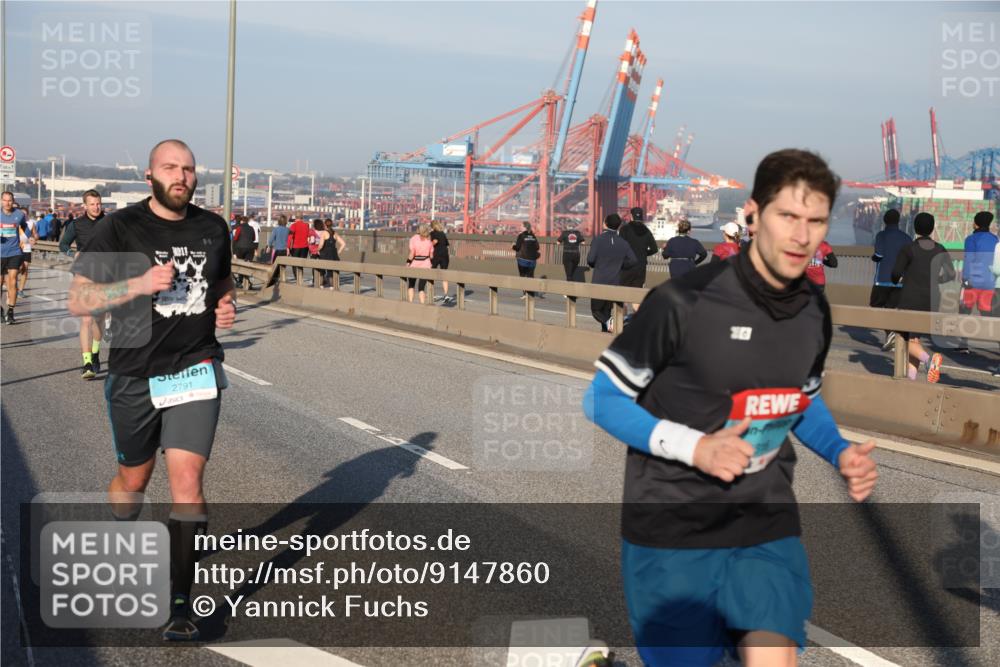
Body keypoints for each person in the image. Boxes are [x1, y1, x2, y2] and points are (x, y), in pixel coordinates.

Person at [584, 149, 878, 667]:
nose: (802, 235)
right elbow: (602, 399)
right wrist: (696, 448)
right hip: (672, 524)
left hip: (763, 518)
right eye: (788, 217)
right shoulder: (683, 302)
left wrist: (840, 451)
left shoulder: (813, 311)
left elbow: (802, 398)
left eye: (815, 222)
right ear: (753, 214)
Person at [67, 139, 236, 642]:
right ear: (149, 175)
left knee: (188, 481)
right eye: (170, 167)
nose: (181, 176)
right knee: (132, 484)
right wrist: (138, 285)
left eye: (188, 169)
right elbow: (79, 301)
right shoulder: (119, 228)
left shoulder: (213, 228)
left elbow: (223, 282)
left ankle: (180, 605)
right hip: (135, 373)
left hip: (194, 367)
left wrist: (227, 304)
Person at [891, 212, 957, 382]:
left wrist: (899, 279)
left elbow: (895, 273)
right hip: (931, 300)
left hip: (910, 298)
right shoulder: (940, 249)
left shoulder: (909, 248)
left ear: (915, 228)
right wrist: (937, 280)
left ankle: (929, 360)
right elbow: (951, 274)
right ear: (932, 228)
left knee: (901, 338)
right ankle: (911, 379)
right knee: (914, 339)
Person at [955, 211, 998, 354]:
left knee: (964, 312)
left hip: (973, 282)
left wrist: (966, 280)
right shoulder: (996, 240)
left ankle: (963, 344)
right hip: (990, 283)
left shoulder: (971, 239)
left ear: (977, 224)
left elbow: (969, 260)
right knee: (990, 316)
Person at [586, 213, 637, 333]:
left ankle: (611, 322)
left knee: (596, 311)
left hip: (599, 281)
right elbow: (633, 260)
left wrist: (597, 265)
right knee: (606, 311)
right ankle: (605, 333)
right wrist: (620, 266)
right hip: (614, 282)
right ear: (618, 226)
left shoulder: (598, 239)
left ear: (605, 224)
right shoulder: (623, 242)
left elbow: (590, 260)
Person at [869, 209, 911, 351]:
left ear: (884, 221)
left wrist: (874, 258)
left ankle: (890, 332)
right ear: (898, 221)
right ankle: (891, 337)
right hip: (900, 281)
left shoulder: (881, 235)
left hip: (882, 280)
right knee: (892, 309)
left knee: (876, 307)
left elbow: (879, 255)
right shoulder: (906, 238)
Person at [618, 207, 658, 314]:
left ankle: (622, 321)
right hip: (640, 267)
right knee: (636, 298)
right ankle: (637, 320)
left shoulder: (624, 229)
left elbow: (620, 247)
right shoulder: (646, 230)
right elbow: (654, 249)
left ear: (631, 216)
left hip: (627, 266)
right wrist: (644, 254)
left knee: (622, 296)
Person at [1, 191, 29, 325]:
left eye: (10, 200)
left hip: (15, 252)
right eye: (5, 200)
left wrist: (25, 239)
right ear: (1, 201)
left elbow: (26, 227)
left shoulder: (19, 214)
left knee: (12, 281)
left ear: (13, 201)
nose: (7, 203)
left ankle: (11, 311)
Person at [512, 221, 542, 299]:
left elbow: (517, 247)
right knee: (530, 276)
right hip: (532, 260)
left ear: (525, 227)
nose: (520, 227)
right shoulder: (533, 236)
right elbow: (537, 247)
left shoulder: (521, 235)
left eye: (521, 226)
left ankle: (525, 294)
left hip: (523, 259)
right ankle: (530, 294)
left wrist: (513, 246)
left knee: (523, 276)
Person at [406, 222, 434, 303]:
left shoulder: (413, 239)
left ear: (418, 230)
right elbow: (431, 256)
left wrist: (408, 262)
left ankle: (410, 303)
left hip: (414, 264)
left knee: (411, 285)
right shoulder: (429, 241)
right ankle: (422, 305)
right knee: (421, 288)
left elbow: (412, 253)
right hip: (425, 265)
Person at [430, 220, 454, 304]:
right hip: (444, 255)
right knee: (444, 275)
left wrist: (429, 245)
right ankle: (446, 295)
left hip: (436, 255)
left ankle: (432, 294)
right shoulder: (443, 233)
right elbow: (447, 245)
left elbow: (434, 242)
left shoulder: (433, 233)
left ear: (432, 226)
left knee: (431, 274)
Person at [16, 210, 39, 298]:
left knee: (25, 269)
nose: (23, 215)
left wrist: (35, 238)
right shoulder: (15, 222)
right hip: (15, 248)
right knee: (16, 269)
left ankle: (20, 290)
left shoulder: (31, 223)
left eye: (25, 214)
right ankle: (11, 282)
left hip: (26, 247)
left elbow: (35, 234)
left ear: (27, 215)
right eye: (21, 214)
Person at [319, 218, 345, 289]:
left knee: (322, 269)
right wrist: (338, 252)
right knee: (331, 270)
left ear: (325, 225)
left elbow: (321, 245)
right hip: (333, 254)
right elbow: (343, 244)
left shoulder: (324, 233)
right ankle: (331, 285)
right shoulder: (335, 233)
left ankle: (321, 284)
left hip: (325, 253)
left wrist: (317, 250)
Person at [231, 215, 256, 289]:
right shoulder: (251, 228)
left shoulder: (239, 228)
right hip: (250, 249)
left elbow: (235, 238)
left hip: (240, 248)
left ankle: (240, 282)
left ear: (242, 221)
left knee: (241, 265)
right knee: (248, 265)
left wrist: (234, 252)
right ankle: (248, 283)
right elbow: (254, 238)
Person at [287, 215, 311, 283]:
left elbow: (290, 237)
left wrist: (288, 247)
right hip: (305, 247)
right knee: (301, 263)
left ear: (295, 219)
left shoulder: (293, 225)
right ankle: (300, 276)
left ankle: (297, 278)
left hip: (296, 247)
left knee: (295, 263)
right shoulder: (306, 225)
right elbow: (309, 236)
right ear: (302, 218)